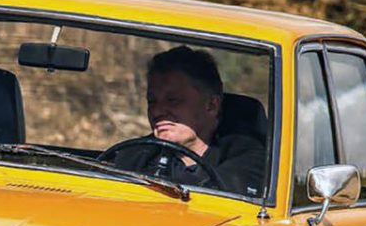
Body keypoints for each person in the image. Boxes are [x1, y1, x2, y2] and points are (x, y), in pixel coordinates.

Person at [113, 46, 266, 197]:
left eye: (173, 100)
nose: (157, 111)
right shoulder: (135, 156)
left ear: (211, 105)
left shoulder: (248, 159)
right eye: (152, 101)